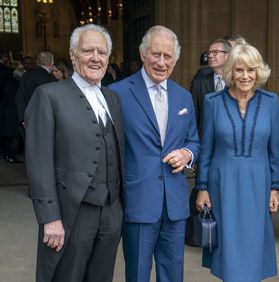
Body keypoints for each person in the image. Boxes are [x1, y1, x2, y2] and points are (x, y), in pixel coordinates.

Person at [24, 24, 124, 282]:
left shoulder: (112, 98)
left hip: (111, 213)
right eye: (88, 50)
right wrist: (50, 218)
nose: (95, 57)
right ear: (72, 54)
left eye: (102, 52)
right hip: (73, 214)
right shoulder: (48, 95)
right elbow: (39, 162)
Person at [109, 25, 200, 282]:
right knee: (137, 274)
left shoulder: (184, 97)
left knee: (173, 274)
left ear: (176, 59)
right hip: (138, 201)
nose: (162, 62)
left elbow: (194, 139)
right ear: (143, 54)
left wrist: (186, 154)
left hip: (175, 203)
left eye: (168, 56)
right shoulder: (117, 93)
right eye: (156, 54)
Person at [195, 43, 279, 281]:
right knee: (228, 244)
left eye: (251, 70)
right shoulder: (213, 101)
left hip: (258, 183)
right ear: (230, 73)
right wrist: (202, 188)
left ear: (258, 72)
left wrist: (275, 187)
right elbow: (207, 148)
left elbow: (275, 149)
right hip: (222, 183)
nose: (245, 76)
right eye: (239, 70)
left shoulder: (271, 101)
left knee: (253, 243)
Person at [191, 38, 232, 136]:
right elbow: (194, 116)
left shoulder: (236, 82)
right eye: (209, 52)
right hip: (205, 140)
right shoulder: (199, 83)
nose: (210, 55)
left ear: (227, 55)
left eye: (215, 52)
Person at [15, 51, 57, 127]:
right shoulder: (51, 79)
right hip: (46, 120)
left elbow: (19, 97)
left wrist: (23, 118)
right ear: (52, 62)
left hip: (29, 117)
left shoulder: (26, 75)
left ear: (37, 62)